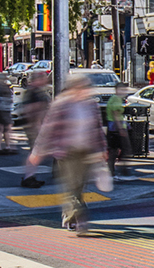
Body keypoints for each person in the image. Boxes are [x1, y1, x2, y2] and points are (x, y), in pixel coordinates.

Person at [28, 74, 106, 235]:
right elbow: (48, 130)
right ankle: (80, 218)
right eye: (81, 87)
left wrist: (102, 149)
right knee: (72, 187)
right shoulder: (61, 105)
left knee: (79, 187)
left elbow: (97, 129)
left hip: (86, 152)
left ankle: (70, 217)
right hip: (67, 152)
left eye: (86, 87)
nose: (84, 91)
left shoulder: (90, 105)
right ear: (73, 89)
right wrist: (38, 151)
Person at [17, 71, 51, 153]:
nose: (45, 81)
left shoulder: (40, 91)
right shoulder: (33, 91)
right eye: (43, 79)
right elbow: (30, 109)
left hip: (38, 124)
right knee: (35, 147)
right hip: (34, 124)